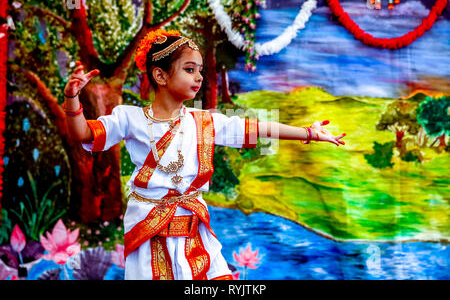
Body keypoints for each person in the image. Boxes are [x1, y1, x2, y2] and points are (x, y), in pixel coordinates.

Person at [63, 29, 347, 280]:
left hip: (193, 226)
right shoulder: (129, 117)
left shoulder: (204, 122)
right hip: (150, 230)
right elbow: (83, 134)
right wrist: (72, 98)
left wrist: (308, 133)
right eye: (189, 69)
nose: (199, 77)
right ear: (159, 75)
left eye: (200, 70)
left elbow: (256, 129)